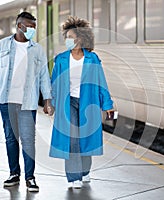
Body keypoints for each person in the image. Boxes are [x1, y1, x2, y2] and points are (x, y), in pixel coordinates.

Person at [0, 11, 53, 192]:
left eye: (34, 27)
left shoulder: (37, 49)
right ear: (19, 26)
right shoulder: (2, 46)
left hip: (28, 103)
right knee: (11, 139)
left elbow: (44, 77)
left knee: (28, 140)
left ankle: (30, 177)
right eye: (29, 27)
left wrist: (47, 100)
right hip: (6, 100)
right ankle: (14, 174)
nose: (32, 30)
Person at [49, 16, 113, 189]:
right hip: (67, 103)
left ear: (81, 39)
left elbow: (101, 82)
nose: (68, 40)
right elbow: (54, 83)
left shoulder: (92, 59)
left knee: (85, 138)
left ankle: (84, 171)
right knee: (72, 139)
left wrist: (107, 105)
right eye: (67, 37)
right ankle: (73, 176)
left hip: (88, 103)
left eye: (72, 37)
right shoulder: (61, 59)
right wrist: (50, 103)